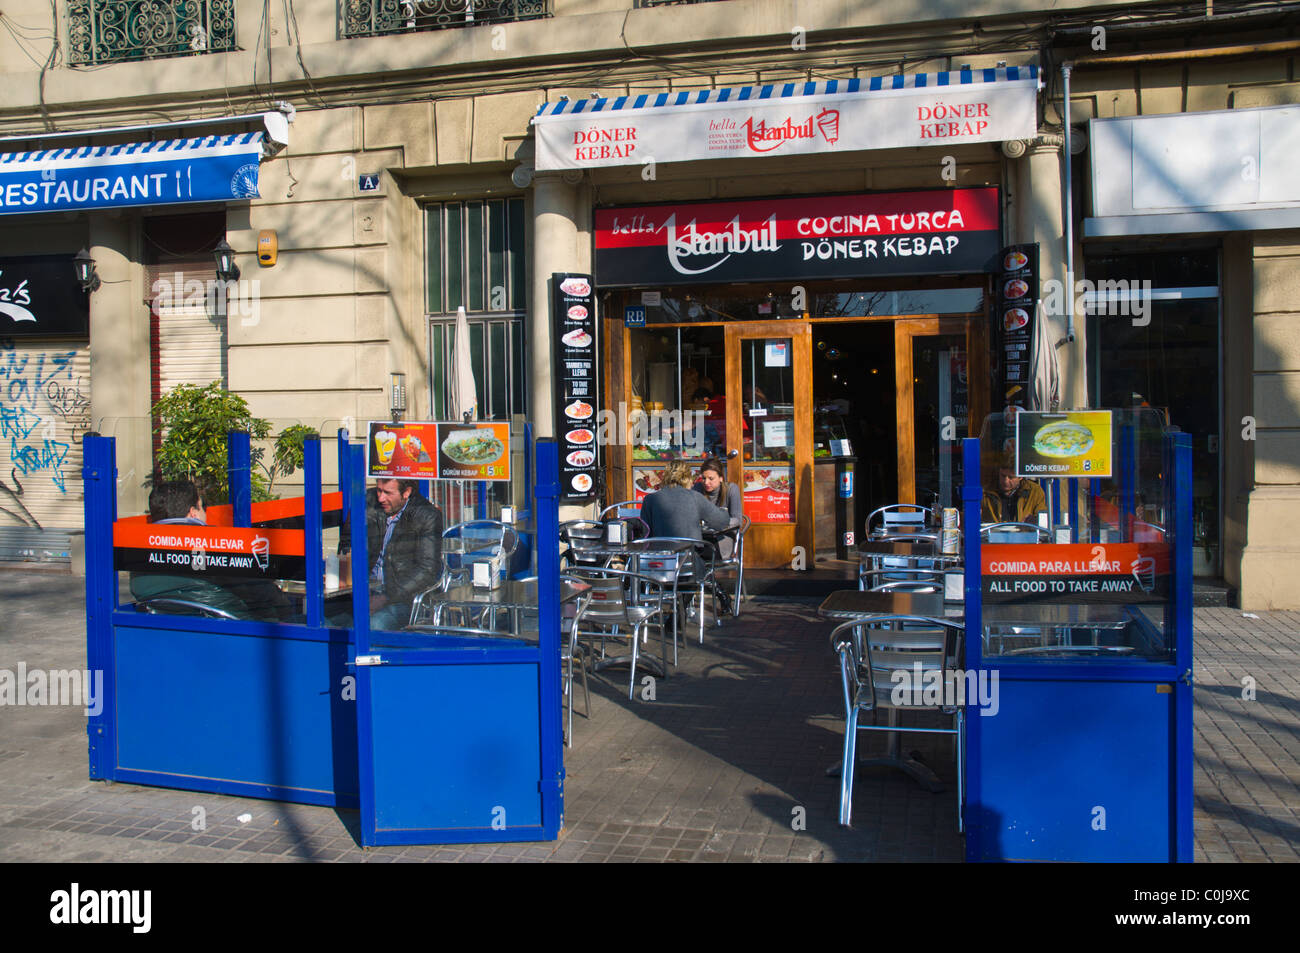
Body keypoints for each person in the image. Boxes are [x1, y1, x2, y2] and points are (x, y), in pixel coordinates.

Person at [129, 480, 295, 622]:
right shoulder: (216, 547)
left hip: (165, 636)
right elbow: (268, 597)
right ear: (193, 512)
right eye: (203, 508)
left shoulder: (139, 553)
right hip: (233, 635)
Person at [362, 478, 444, 631]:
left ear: (406, 492)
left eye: (387, 493)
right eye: (379, 490)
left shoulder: (426, 515)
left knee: (374, 625)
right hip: (364, 591)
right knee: (322, 620)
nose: (380, 498)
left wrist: (386, 598)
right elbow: (348, 543)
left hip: (403, 598)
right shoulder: (368, 501)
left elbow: (427, 570)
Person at [642, 460, 733, 579]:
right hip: (688, 567)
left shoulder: (650, 499)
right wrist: (724, 511)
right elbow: (721, 522)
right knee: (707, 555)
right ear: (687, 478)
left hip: (658, 566)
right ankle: (716, 590)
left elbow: (645, 532)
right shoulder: (694, 497)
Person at [981, 459, 1047, 524]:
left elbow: (1042, 520)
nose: (1005, 481)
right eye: (1003, 476)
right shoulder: (986, 491)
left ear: (1020, 477)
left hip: (1024, 533)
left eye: (1011, 477)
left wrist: (1034, 520)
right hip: (994, 533)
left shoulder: (1034, 491)